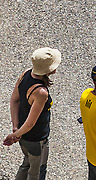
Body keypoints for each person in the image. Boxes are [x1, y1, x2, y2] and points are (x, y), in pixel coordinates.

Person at [3, 47, 62, 180]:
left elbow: (14, 100)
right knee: (36, 173)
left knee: (27, 164)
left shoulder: (25, 74)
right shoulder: (41, 92)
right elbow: (30, 123)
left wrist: (16, 128)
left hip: (23, 136)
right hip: (36, 139)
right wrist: (14, 135)